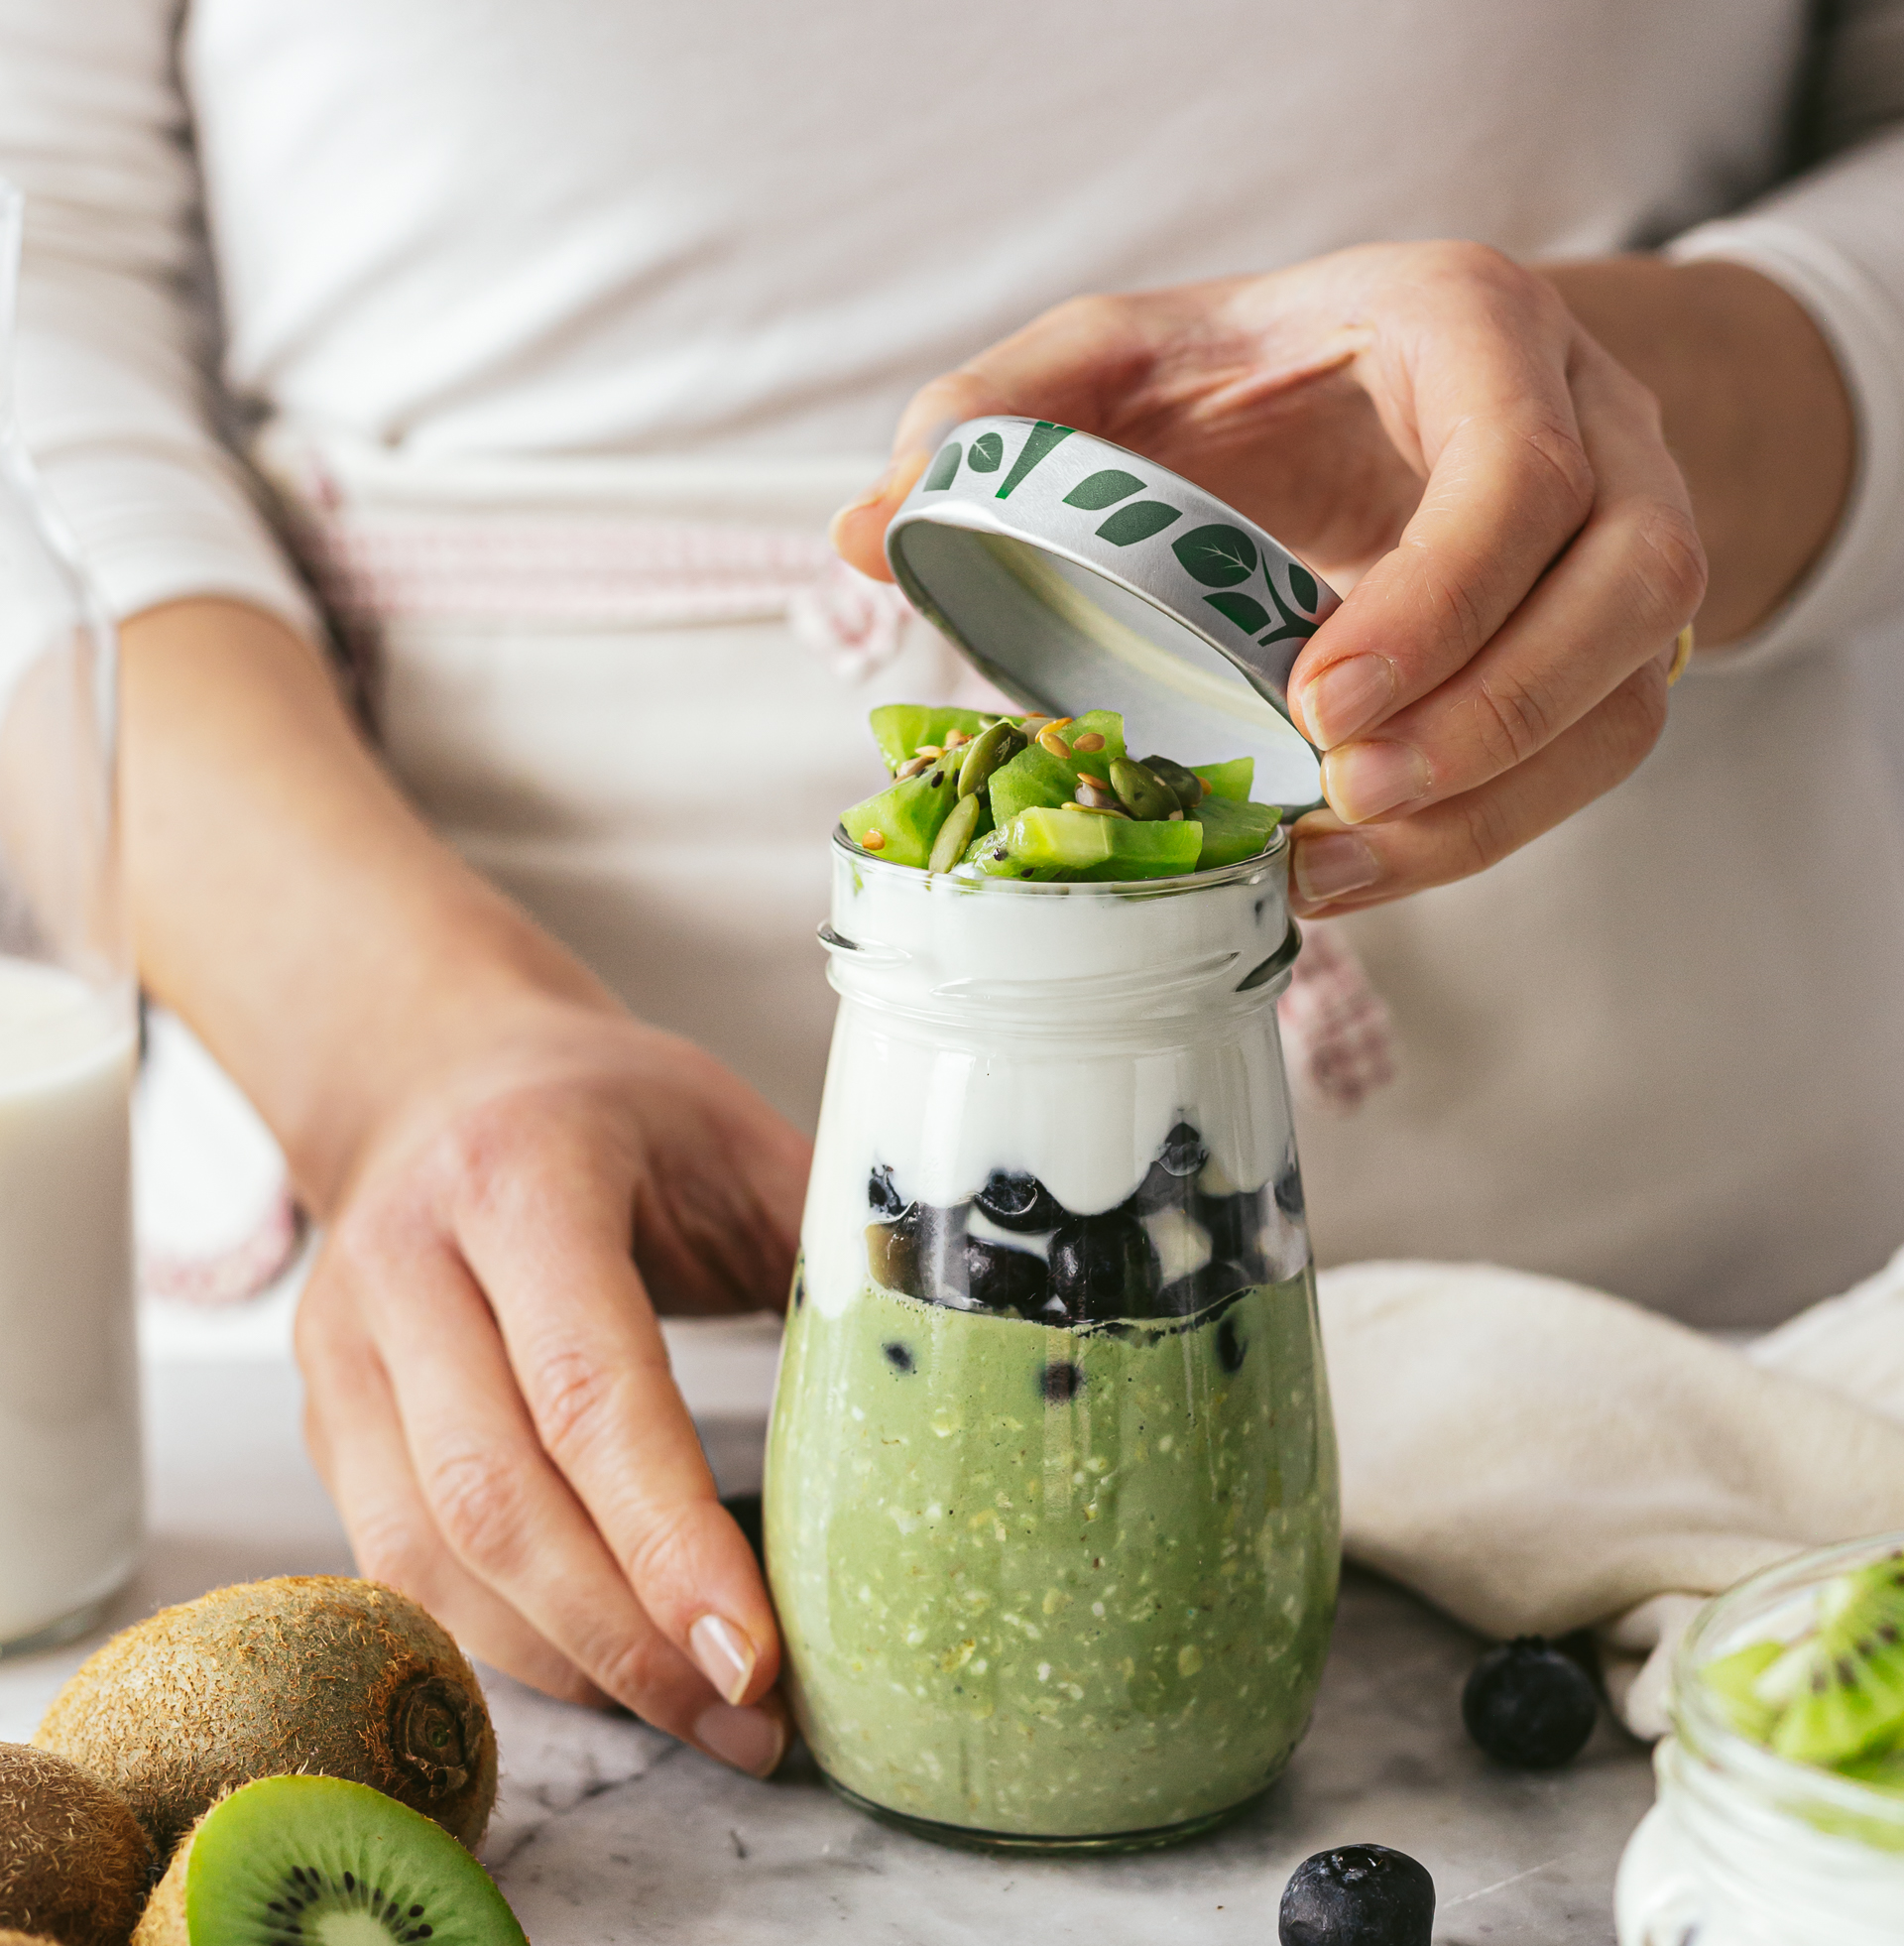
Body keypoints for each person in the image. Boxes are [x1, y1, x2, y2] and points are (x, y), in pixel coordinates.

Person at [4, 1, 1901, 1765]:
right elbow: (39, 283)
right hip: (495, 1358)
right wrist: (388, 1043)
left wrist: (1634, 411)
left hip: (1686, 1365)